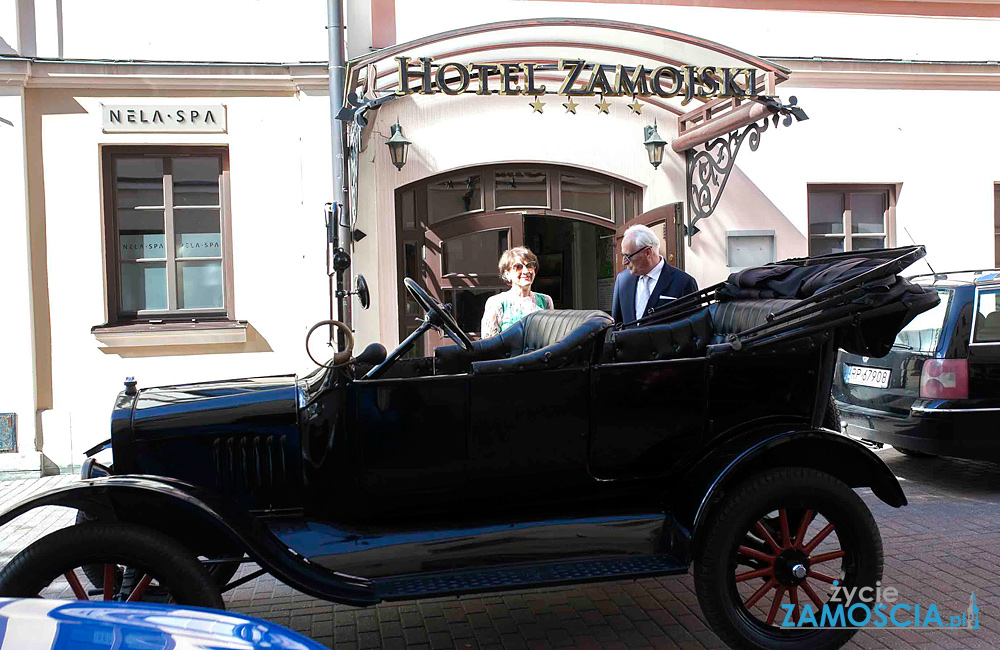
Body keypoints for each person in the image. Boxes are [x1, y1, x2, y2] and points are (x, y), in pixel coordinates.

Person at [612, 224, 697, 324]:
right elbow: (616, 325)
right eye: (623, 255)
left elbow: (694, 328)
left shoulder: (684, 282)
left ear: (648, 253)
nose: (624, 262)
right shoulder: (622, 280)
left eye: (628, 256)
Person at [481, 246, 554, 338]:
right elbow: (488, 341)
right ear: (507, 274)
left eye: (529, 265)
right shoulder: (497, 302)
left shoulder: (546, 301)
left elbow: (550, 336)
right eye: (518, 267)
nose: (526, 271)